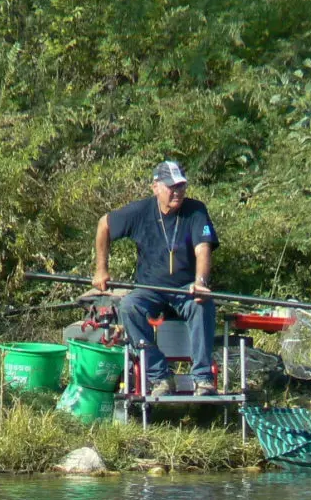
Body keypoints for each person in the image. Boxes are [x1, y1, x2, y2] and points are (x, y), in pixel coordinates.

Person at [92, 160, 219, 396]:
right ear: (155, 187)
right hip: (149, 289)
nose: (177, 192)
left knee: (203, 306)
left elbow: (203, 249)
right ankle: (159, 375)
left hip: (186, 289)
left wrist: (200, 283)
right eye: (171, 186)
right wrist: (101, 269)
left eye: (181, 186)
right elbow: (104, 224)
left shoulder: (196, 210)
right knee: (129, 306)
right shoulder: (140, 211)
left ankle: (203, 378)